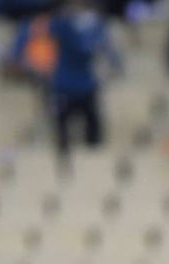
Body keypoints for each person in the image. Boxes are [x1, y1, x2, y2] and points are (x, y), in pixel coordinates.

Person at [47, 0, 122, 163]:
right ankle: (63, 160)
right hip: (64, 84)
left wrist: (115, 65)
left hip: (86, 85)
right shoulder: (63, 23)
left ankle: (93, 161)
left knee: (93, 127)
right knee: (61, 128)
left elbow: (106, 48)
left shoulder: (96, 26)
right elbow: (54, 32)